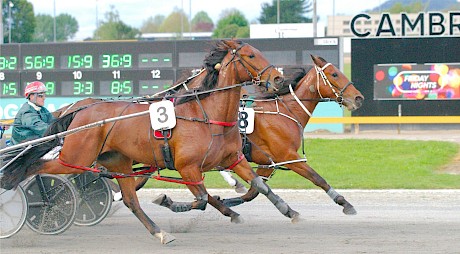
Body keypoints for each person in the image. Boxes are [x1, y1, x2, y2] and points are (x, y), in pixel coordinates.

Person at [10, 81, 54, 145]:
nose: (44, 98)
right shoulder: (26, 112)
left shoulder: (42, 110)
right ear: (31, 96)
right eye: (40, 95)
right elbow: (42, 129)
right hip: (22, 149)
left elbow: (53, 122)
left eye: (44, 95)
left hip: (34, 145)